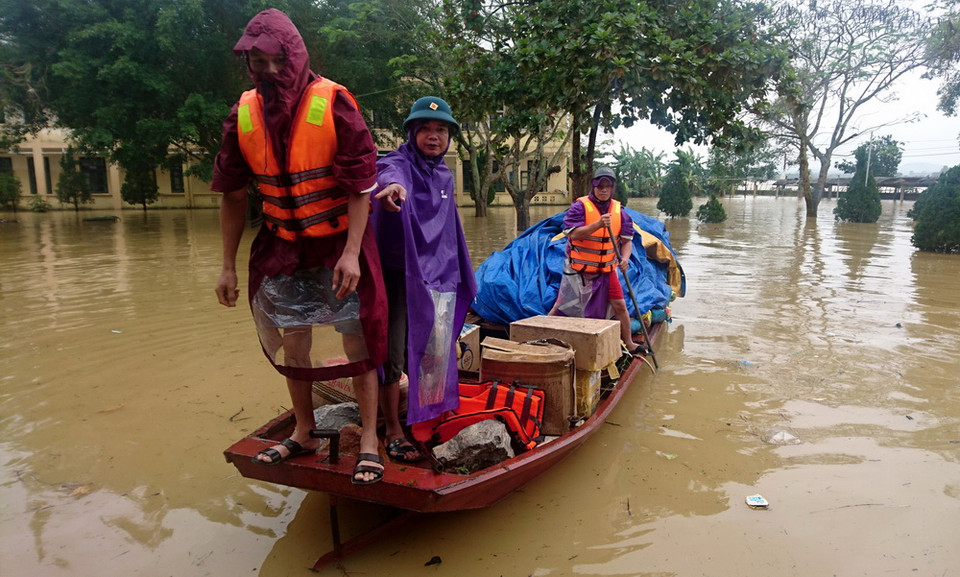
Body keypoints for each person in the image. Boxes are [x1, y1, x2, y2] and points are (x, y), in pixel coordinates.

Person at [211, 9, 388, 485]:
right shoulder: (243, 112)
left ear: (294, 55)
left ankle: (369, 438)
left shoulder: (334, 102)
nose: (267, 72)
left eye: (275, 61)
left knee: (358, 340)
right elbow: (231, 193)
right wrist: (226, 265)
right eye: (257, 62)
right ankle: (305, 431)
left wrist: (352, 251)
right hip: (284, 245)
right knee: (294, 340)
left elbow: (360, 185)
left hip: (337, 243)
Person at [372, 97, 477, 455]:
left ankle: (428, 415)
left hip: (435, 276)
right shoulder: (397, 162)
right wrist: (392, 188)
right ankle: (393, 430)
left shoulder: (444, 174)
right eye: (426, 129)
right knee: (393, 354)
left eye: (441, 130)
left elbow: (449, 234)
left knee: (436, 345)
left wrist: (463, 274)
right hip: (398, 276)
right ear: (412, 133)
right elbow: (389, 173)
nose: (434, 136)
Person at [550, 167, 644, 352]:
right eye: (600, 186)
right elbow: (573, 235)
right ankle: (543, 335)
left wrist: (624, 259)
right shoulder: (579, 207)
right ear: (593, 186)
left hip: (607, 271)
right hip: (579, 271)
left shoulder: (621, 212)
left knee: (620, 306)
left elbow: (626, 242)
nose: (603, 190)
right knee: (561, 306)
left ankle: (629, 343)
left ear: (612, 188)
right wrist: (598, 224)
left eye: (608, 186)